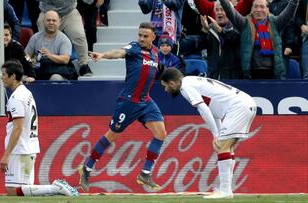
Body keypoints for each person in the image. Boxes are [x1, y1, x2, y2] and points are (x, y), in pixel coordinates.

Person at [78, 22, 167, 192]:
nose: (141, 38)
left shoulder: (155, 53)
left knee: (161, 133)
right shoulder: (134, 48)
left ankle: (145, 174)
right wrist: (103, 55)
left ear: (153, 38)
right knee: (111, 136)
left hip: (146, 101)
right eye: (139, 35)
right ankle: (87, 168)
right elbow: (119, 52)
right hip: (129, 102)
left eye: (145, 36)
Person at [160, 67, 257, 199]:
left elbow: (204, 109)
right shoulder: (192, 81)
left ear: (172, 83)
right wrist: (218, 133)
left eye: (165, 86)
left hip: (238, 107)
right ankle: (226, 189)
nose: (165, 90)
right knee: (225, 147)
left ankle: (225, 191)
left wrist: (215, 135)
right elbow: (214, 111)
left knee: (222, 145)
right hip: (245, 103)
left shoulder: (185, 87)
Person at [0, 59, 79, 196]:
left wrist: (6, 154)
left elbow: (18, 127)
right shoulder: (26, 93)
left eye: (4, 74)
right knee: (25, 192)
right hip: (29, 146)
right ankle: (56, 188)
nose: (1, 77)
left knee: (12, 191)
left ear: (13, 76)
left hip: (20, 149)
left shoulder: (17, 98)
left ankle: (56, 188)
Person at [219, 0, 299, 79]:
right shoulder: (244, 23)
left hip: (273, 73)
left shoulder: (276, 22)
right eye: (255, 6)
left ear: (268, 10)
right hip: (251, 73)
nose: (258, 10)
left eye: (262, 7)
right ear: (251, 9)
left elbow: (289, 12)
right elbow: (230, 11)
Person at [37, 0, 93, 77]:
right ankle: (47, 66)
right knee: (45, 38)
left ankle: (84, 65)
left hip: (69, 12)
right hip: (47, 13)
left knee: (79, 35)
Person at [0, 24, 35, 100]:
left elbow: (28, 62)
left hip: (15, 83)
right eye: (1, 35)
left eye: (6, 35)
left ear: (10, 36)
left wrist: (31, 75)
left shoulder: (17, 47)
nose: (4, 37)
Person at [25, 10, 78, 81]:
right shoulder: (35, 37)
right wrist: (31, 61)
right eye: (48, 20)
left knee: (55, 78)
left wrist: (49, 55)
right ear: (43, 22)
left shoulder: (64, 39)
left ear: (59, 22)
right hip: (39, 70)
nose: (51, 23)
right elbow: (26, 55)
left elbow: (65, 59)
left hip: (58, 72)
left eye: (54, 20)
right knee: (23, 78)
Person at [200, 1, 242, 79]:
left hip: (232, 78)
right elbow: (200, 46)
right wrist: (204, 30)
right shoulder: (210, 28)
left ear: (230, 12)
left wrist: (221, 30)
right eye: (217, 10)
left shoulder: (237, 27)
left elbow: (234, 39)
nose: (219, 12)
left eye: (222, 10)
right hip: (213, 77)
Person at [296, 0, 308, 79]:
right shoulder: (303, 1)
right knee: (306, 74)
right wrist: (301, 25)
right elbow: (296, 16)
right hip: (306, 37)